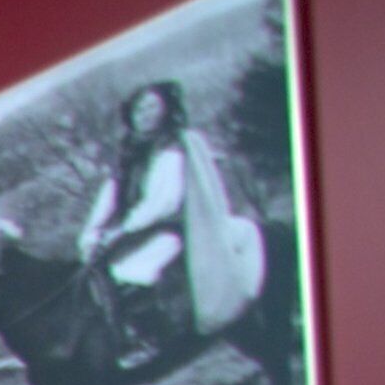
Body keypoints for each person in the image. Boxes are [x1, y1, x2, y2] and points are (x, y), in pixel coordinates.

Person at [79, 79, 256, 362]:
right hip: (135, 227)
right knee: (93, 271)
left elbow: (164, 201)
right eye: (139, 108)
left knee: (134, 269)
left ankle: (153, 337)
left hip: (170, 225)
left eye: (152, 107)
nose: (145, 114)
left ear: (165, 111)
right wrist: (92, 231)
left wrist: (123, 229)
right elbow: (110, 194)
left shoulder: (171, 147)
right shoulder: (129, 151)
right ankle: (120, 335)